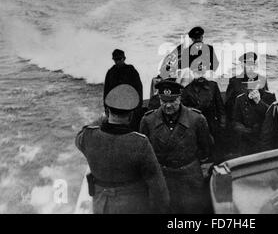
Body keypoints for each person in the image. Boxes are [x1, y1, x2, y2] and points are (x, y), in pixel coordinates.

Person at [75, 84, 169, 214]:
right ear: (131, 115)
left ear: (108, 112)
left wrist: (103, 118)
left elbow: (81, 135)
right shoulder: (140, 142)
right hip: (132, 207)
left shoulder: (88, 136)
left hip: (101, 205)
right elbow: (157, 185)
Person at [139, 80, 212, 214]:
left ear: (180, 98)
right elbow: (144, 153)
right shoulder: (148, 121)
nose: (167, 105)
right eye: (163, 101)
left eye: (172, 101)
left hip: (190, 179)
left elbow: (206, 148)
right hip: (163, 179)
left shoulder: (197, 119)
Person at [181, 63, 226, 162]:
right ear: (192, 72)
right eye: (197, 72)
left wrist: (222, 125)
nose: (200, 75)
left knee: (218, 153)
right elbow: (185, 114)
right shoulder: (187, 91)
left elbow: (220, 107)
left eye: (202, 72)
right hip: (197, 126)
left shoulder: (213, 86)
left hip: (213, 124)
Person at [104, 49, 144, 130]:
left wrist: (138, 105)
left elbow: (139, 88)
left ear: (124, 58)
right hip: (115, 107)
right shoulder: (110, 72)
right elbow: (106, 91)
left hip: (130, 105)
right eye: (115, 59)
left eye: (119, 59)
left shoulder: (131, 71)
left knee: (132, 127)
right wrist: (106, 107)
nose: (117, 61)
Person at [233, 80, 276, 156]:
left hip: (264, 136)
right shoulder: (240, 99)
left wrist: (259, 102)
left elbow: (273, 116)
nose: (251, 89)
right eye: (249, 86)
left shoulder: (269, 96)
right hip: (247, 137)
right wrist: (245, 130)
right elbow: (236, 121)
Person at [225, 52, 268, 122]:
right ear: (242, 65)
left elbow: (267, 104)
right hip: (241, 123)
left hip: (258, 121)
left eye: (252, 64)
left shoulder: (262, 79)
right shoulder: (234, 81)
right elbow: (229, 105)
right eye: (248, 64)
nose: (251, 67)